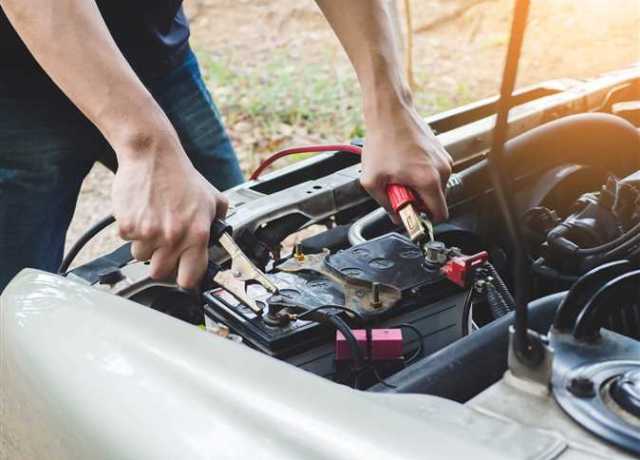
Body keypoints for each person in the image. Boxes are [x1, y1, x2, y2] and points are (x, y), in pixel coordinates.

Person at [0, 1, 452, 291]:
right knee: (14, 302)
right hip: (15, 95)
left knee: (234, 246)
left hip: (157, 57)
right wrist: (146, 143)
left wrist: (391, 105)